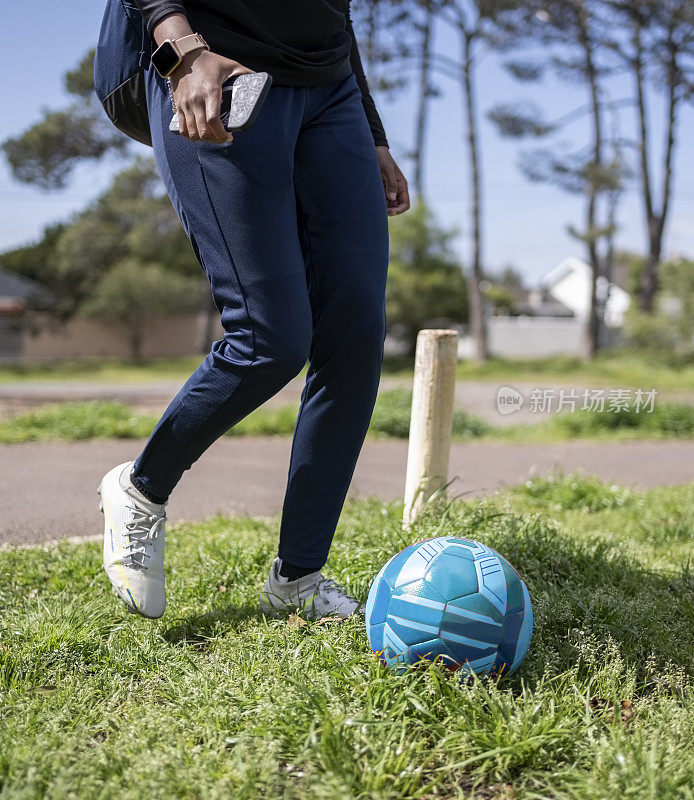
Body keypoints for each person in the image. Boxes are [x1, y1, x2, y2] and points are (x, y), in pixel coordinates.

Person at [98, 0, 410, 621]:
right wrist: (180, 47)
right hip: (218, 63)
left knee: (355, 334)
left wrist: (372, 134)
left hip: (330, 89)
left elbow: (333, 13)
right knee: (270, 338)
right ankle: (140, 489)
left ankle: (298, 575)